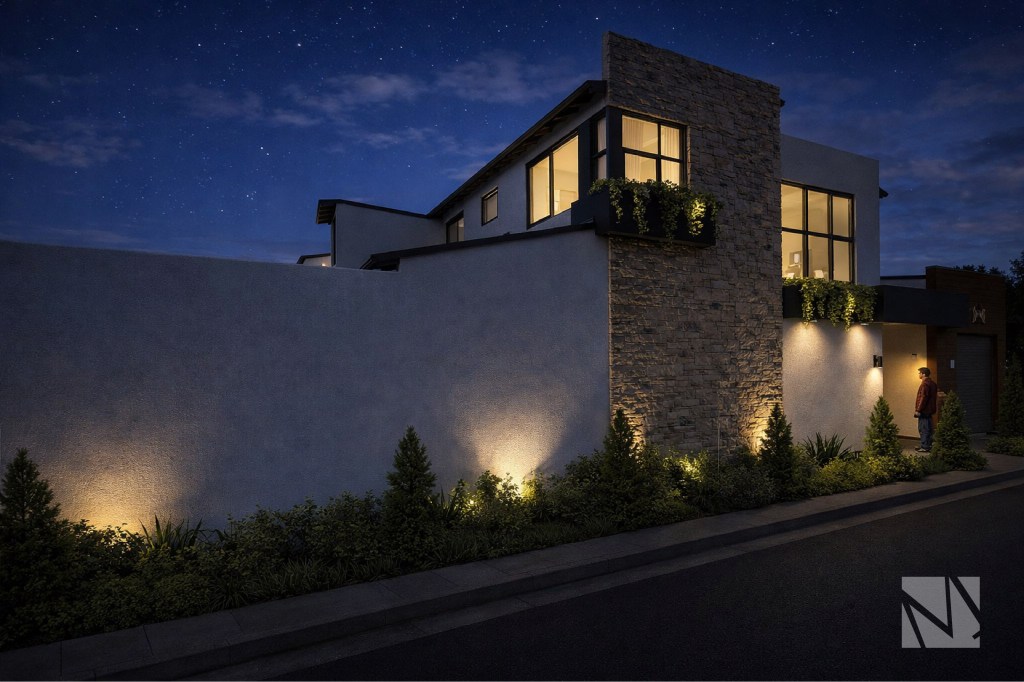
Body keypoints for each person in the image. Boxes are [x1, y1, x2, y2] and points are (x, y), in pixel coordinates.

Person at [914, 367, 938, 452]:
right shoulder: (932, 384)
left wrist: (918, 409)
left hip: (924, 410)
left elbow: (923, 398)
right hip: (930, 410)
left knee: (923, 428)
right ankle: (928, 444)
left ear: (923, 374)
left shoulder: (924, 384)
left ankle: (924, 446)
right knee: (929, 428)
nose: (919, 374)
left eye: (919, 373)